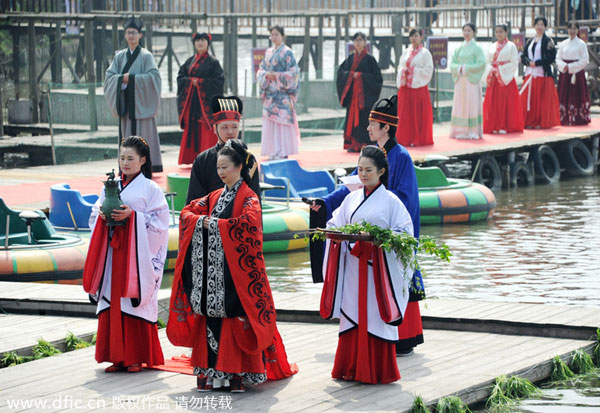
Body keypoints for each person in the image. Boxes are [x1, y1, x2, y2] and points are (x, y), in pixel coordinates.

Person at [167, 139, 297, 392]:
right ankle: (212, 372)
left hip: (236, 277)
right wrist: (200, 221)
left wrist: (213, 225)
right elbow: (187, 213)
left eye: (225, 167)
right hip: (214, 276)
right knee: (210, 318)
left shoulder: (249, 198)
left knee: (233, 320)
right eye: (218, 168)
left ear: (239, 167)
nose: (221, 172)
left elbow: (249, 226)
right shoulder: (214, 197)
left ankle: (235, 373)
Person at [310, 96, 425, 356]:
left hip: (384, 229)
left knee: (394, 280)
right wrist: (324, 202)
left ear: (386, 127)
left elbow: (406, 198)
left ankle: (402, 336)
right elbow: (350, 190)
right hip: (362, 240)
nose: (369, 128)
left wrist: (380, 210)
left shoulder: (402, 157)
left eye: (373, 124)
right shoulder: (369, 154)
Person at [320, 145, 414, 384]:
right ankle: (349, 367)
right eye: (360, 170)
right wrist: (335, 235)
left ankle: (377, 370)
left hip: (378, 270)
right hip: (353, 267)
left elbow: (404, 235)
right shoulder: (351, 199)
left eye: (368, 170)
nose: (363, 175)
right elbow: (334, 224)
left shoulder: (392, 202)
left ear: (381, 171)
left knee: (374, 314)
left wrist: (378, 241)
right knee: (352, 313)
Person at [83, 136, 170, 373]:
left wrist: (133, 216)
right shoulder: (110, 186)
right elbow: (95, 213)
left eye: (130, 158)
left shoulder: (151, 189)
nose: (125, 163)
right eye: (122, 158)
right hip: (112, 253)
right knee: (113, 300)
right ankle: (115, 357)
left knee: (132, 300)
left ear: (143, 160)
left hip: (136, 257)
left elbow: (161, 224)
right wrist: (102, 216)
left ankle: (135, 357)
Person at [104, 17, 163, 172]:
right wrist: (120, 80)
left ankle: (146, 166)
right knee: (127, 136)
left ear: (140, 36)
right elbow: (109, 77)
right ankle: (127, 166)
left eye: (134, 33)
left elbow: (154, 78)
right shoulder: (119, 57)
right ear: (125, 35)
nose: (131, 36)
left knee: (144, 136)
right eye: (128, 33)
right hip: (127, 105)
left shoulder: (146, 56)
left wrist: (130, 79)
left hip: (141, 105)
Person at [185, 95, 261, 205]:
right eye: (225, 127)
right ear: (215, 129)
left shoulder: (248, 159)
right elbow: (194, 200)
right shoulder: (203, 160)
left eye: (234, 127)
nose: (230, 132)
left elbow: (255, 201)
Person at [176, 32, 225, 165]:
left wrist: (201, 83)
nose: (200, 43)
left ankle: (207, 160)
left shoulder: (213, 62)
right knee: (193, 129)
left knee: (206, 131)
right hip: (192, 102)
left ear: (208, 43)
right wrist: (190, 82)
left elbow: (219, 81)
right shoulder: (189, 61)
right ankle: (191, 159)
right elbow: (180, 77)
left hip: (206, 104)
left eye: (203, 40)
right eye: (197, 41)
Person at [257, 25, 301, 160]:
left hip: (282, 95)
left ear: (282, 36)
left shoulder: (288, 52)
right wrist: (265, 75)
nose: (274, 37)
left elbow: (294, 73)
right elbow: (261, 69)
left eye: (277, 34)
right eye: (272, 35)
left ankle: (282, 151)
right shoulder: (268, 52)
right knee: (271, 123)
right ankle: (272, 151)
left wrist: (276, 76)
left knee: (282, 123)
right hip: (270, 94)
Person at [337, 32, 383, 152]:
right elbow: (341, 73)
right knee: (352, 122)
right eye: (356, 40)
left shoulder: (370, 59)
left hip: (364, 99)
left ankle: (364, 144)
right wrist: (351, 75)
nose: (358, 43)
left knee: (364, 121)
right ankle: (353, 144)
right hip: (353, 98)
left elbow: (377, 78)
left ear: (365, 42)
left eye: (360, 40)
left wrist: (361, 76)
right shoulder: (350, 59)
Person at [483, 24, 524, 134]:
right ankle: (493, 125)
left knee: (504, 103)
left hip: (505, 78)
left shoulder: (511, 46)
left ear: (506, 32)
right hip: (494, 78)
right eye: (497, 32)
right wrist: (491, 69)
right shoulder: (492, 46)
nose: (499, 34)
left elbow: (514, 62)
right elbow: (487, 61)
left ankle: (503, 125)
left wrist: (500, 70)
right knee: (493, 103)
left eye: (501, 32)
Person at [520, 16, 560, 129]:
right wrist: (528, 62)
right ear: (534, 26)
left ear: (545, 27)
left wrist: (538, 63)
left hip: (542, 73)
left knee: (540, 99)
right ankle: (528, 120)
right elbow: (523, 55)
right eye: (537, 24)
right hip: (530, 73)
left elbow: (552, 56)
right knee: (528, 98)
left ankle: (539, 121)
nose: (539, 27)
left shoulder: (548, 41)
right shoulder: (530, 41)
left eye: (542, 25)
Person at [396, 27, 434, 146]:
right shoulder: (406, 52)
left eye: (416, 36)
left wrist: (412, 71)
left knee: (418, 115)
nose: (413, 38)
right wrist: (403, 71)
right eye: (412, 36)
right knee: (405, 115)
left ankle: (418, 139)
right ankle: (405, 138)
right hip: (406, 88)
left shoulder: (425, 53)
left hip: (418, 88)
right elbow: (400, 66)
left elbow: (428, 70)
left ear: (421, 37)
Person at [450, 22, 486, 140]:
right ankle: (459, 131)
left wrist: (466, 68)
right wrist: (458, 68)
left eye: (469, 30)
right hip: (461, 81)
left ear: (474, 32)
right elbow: (452, 63)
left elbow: (481, 64)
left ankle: (472, 131)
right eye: (465, 30)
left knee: (471, 105)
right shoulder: (459, 48)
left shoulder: (477, 48)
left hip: (471, 81)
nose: (466, 33)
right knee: (460, 105)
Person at [557, 21, 590, 126]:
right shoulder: (563, 44)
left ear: (577, 30)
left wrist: (571, 67)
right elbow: (558, 58)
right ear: (567, 30)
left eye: (574, 28)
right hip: (565, 73)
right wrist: (564, 66)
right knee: (564, 95)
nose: (572, 31)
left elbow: (585, 60)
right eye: (570, 28)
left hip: (577, 74)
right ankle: (564, 117)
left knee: (577, 95)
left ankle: (579, 118)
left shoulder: (581, 44)